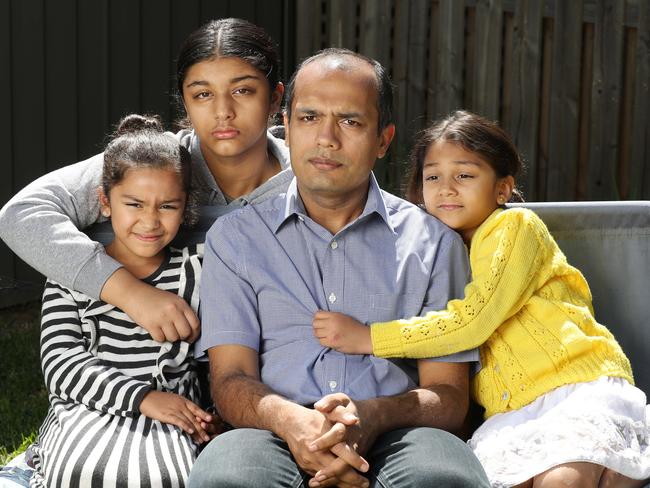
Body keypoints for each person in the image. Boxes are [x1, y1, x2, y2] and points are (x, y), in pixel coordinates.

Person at [189, 50, 490, 488]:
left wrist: (372, 416)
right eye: (309, 118)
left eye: (350, 121)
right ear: (287, 127)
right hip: (268, 430)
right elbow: (231, 378)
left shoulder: (432, 243)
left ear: (383, 140)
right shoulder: (237, 238)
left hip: (399, 430)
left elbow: (447, 395)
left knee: (445, 478)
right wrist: (293, 422)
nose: (326, 138)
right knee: (226, 479)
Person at [312, 110, 650, 488]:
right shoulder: (433, 252)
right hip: (512, 414)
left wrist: (370, 338)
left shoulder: (514, 227)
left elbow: (476, 319)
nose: (446, 188)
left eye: (465, 175)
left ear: (503, 189)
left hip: (573, 387)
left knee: (565, 481)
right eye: (433, 177)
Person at [0, 17, 290, 345]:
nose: (223, 110)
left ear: (275, 98)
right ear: (184, 101)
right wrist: (131, 294)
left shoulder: (306, 179)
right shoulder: (154, 163)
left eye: (242, 90)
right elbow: (21, 215)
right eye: (203, 94)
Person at [28, 114, 223, 487]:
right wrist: (142, 397)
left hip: (172, 416)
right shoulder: (73, 271)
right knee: (83, 471)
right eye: (134, 204)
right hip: (86, 408)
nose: (150, 221)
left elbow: (213, 359)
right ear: (104, 201)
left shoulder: (198, 272)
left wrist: (210, 414)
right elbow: (60, 364)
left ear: (185, 208)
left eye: (167, 206)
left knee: (164, 477)